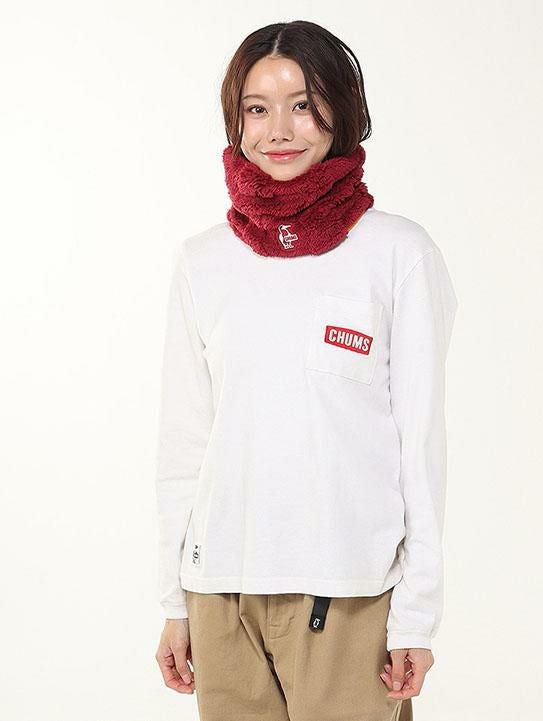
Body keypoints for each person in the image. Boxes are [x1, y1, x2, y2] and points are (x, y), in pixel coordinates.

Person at [154, 19, 458, 721]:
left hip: (349, 592)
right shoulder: (202, 261)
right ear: (236, 121)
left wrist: (416, 617)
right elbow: (184, 445)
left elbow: (420, 447)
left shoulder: (397, 254)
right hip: (220, 593)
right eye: (257, 109)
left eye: (304, 104)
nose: (280, 130)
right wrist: (174, 600)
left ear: (341, 112)